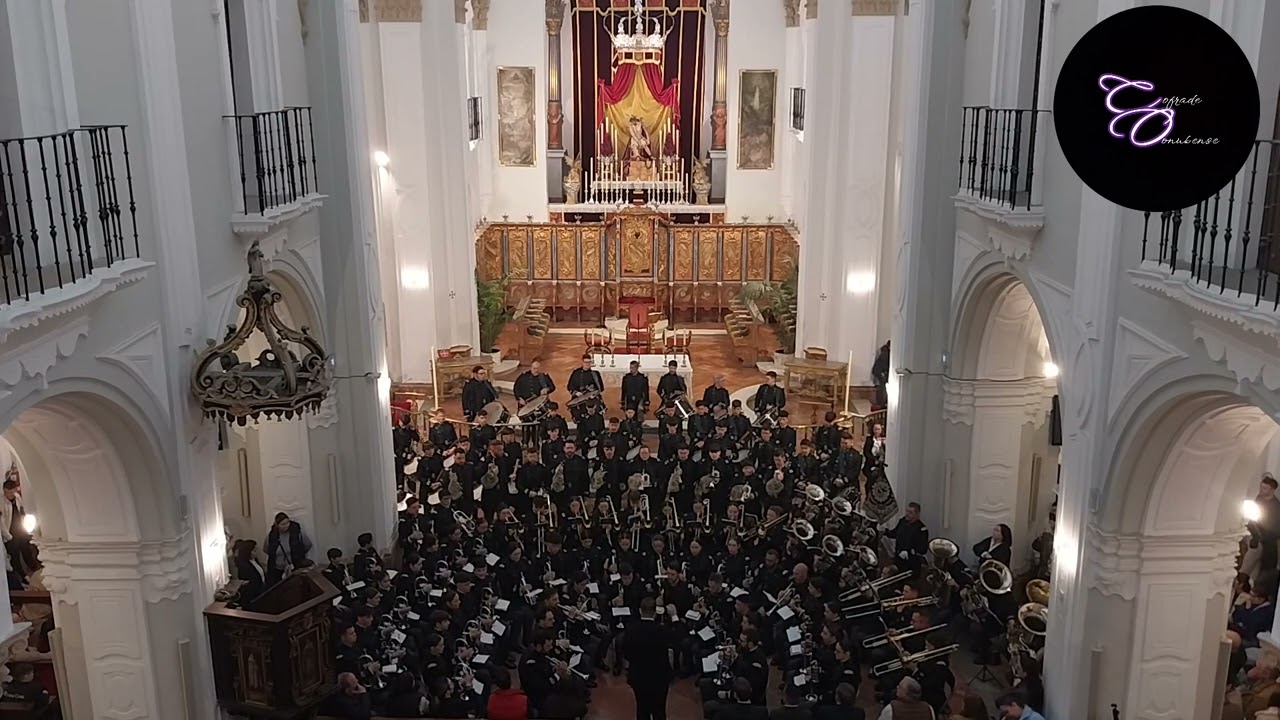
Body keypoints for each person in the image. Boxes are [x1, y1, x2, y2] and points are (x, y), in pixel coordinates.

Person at [624, 596, 675, 720]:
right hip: (660, 678)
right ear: (655, 613)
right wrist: (674, 617)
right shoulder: (661, 631)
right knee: (659, 711)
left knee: (642, 710)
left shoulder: (631, 630)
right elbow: (677, 639)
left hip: (638, 677)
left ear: (640, 611)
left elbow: (627, 654)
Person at [264, 512, 313, 586]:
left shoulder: (297, 532)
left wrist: (299, 555)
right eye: (283, 524)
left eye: (287, 523)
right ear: (277, 525)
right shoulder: (272, 535)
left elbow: (307, 545)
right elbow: (266, 549)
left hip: (294, 566)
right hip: (277, 569)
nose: (286, 526)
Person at [233, 539, 267, 604]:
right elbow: (249, 582)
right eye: (254, 551)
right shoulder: (243, 565)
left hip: (261, 591)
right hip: (253, 595)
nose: (256, 553)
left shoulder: (255, 560)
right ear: (248, 551)